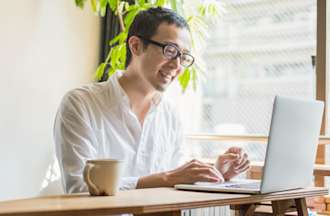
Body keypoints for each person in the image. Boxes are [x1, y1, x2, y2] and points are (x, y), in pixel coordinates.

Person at [54, 7, 250, 194]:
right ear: (136, 46)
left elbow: (177, 179)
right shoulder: (80, 104)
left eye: (183, 56)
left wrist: (215, 173)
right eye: (170, 51)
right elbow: (79, 187)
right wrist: (165, 178)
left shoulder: (169, 115)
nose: (177, 65)